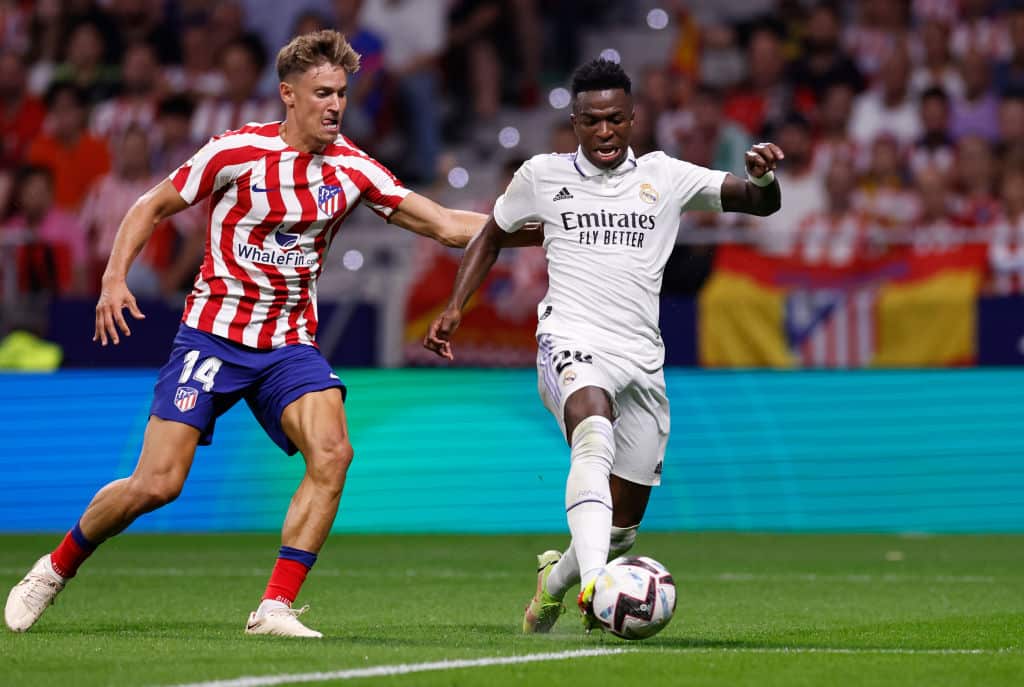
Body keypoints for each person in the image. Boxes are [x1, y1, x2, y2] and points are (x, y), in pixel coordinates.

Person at [4, 29, 536, 639]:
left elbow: (444, 224)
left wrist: (544, 228)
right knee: (157, 484)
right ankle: (54, 568)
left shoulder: (354, 169)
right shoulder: (235, 152)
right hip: (212, 337)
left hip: (288, 344)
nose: (335, 105)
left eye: (341, 93)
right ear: (288, 94)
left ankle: (274, 607)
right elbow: (150, 205)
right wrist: (113, 278)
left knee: (333, 453)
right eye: (322, 93)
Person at [422, 58, 782, 633]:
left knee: (621, 530)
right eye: (592, 121)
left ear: (633, 119)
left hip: (641, 358)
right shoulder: (542, 175)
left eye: (615, 119)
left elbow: (758, 203)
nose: (605, 131)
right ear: (575, 123)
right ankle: (596, 587)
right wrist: (455, 305)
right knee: (592, 433)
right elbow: (491, 234)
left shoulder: (665, 175)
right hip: (570, 338)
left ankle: (555, 582)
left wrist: (762, 177)